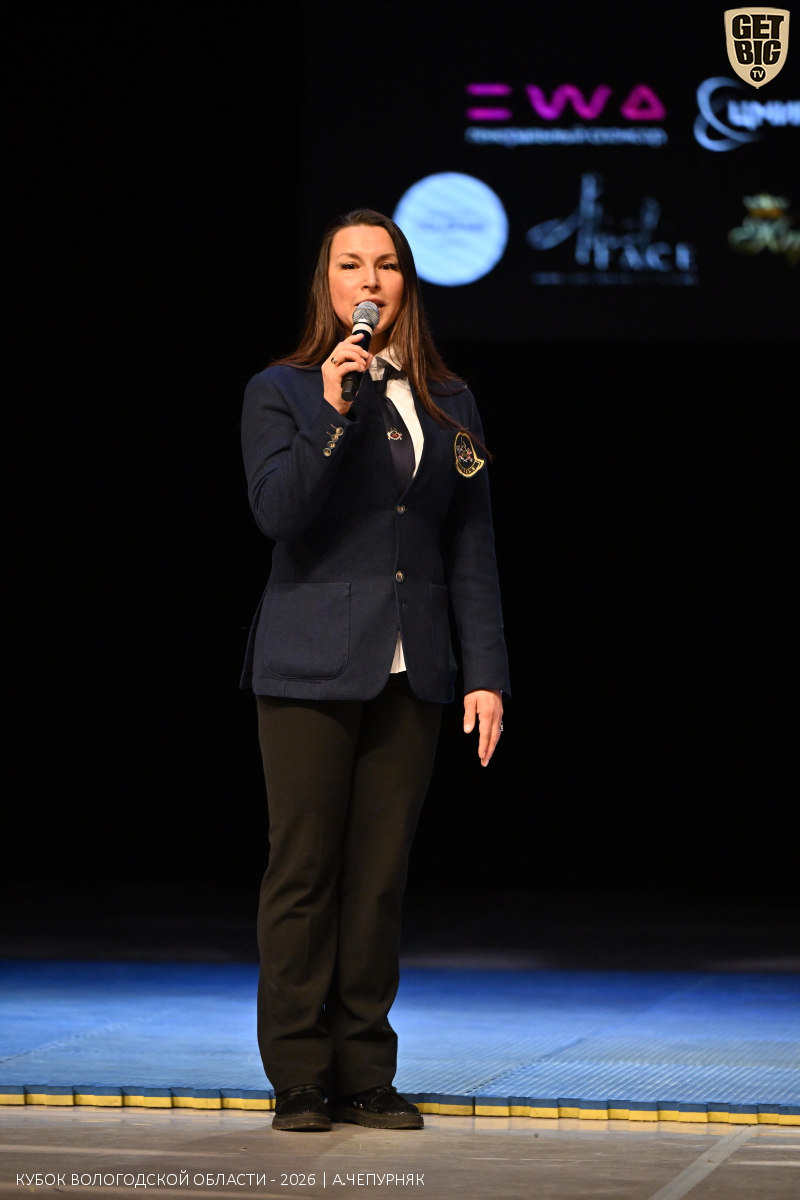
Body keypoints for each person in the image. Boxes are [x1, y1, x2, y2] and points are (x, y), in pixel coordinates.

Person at [240, 209, 510, 1132]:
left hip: (414, 664)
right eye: (350, 264)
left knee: (380, 877)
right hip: (309, 665)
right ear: (327, 283)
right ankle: (299, 1076)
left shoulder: (450, 398)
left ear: (405, 284)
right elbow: (279, 514)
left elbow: (470, 543)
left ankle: (364, 1072)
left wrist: (486, 672)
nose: (369, 280)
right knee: (304, 872)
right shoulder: (283, 390)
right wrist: (332, 409)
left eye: (386, 265)